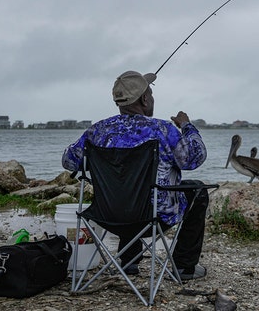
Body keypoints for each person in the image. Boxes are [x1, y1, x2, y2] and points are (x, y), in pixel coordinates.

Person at [62, 70, 209, 280]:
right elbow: (195, 158)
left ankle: (129, 262)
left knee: (125, 190)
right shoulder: (163, 130)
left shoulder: (96, 131)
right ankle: (184, 267)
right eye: (150, 93)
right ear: (145, 99)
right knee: (198, 191)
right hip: (154, 217)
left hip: (107, 215)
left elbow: (68, 161)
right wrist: (186, 126)